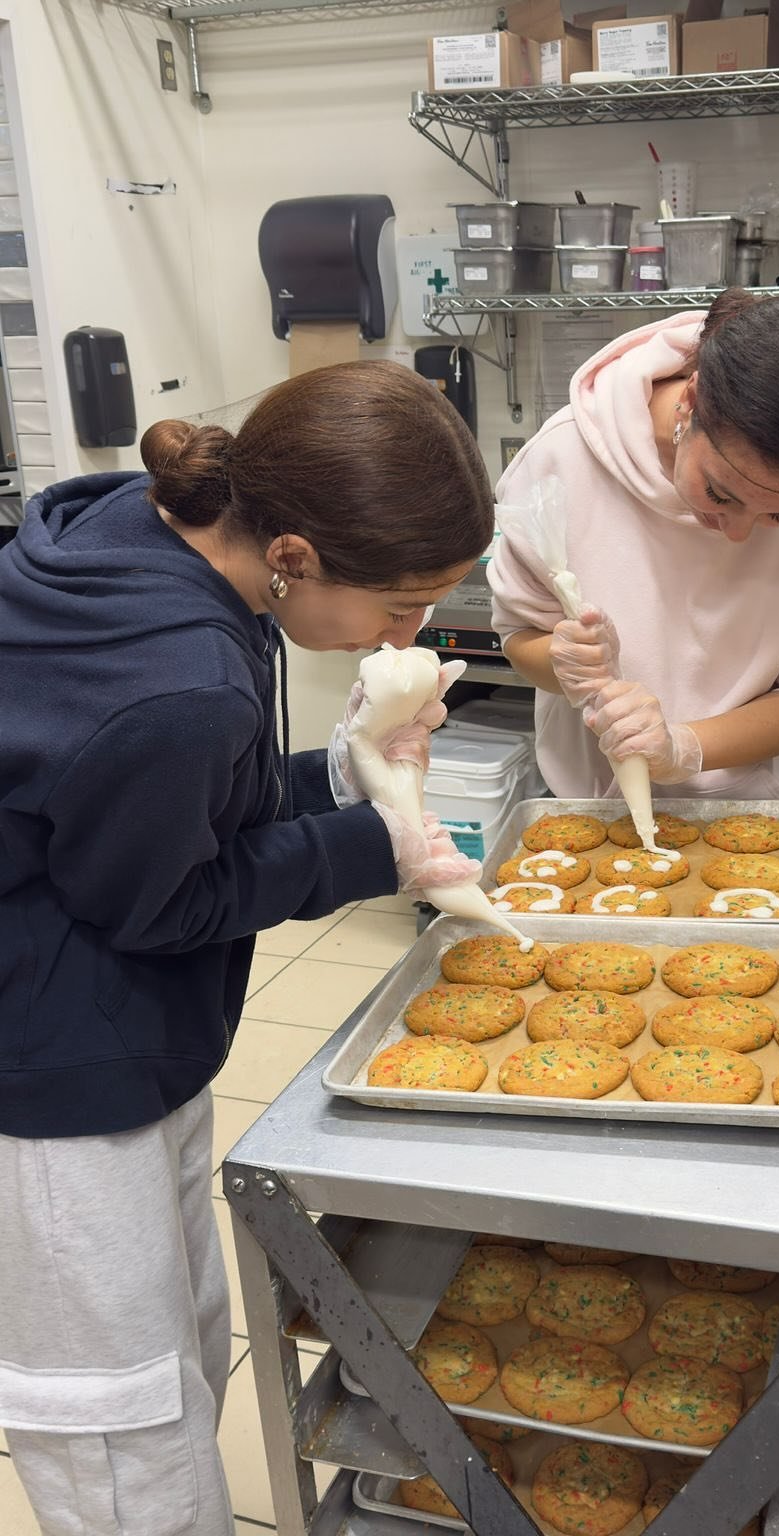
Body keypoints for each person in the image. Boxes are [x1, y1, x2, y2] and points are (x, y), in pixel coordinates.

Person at [0, 361, 490, 1534]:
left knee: (181, 1327)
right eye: (401, 604)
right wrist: (378, 847)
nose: (408, 633)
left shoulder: (150, 525)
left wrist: (342, 776)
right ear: (298, 557)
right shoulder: (181, 684)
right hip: (56, 1071)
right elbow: (159, 899)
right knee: (119, 1418)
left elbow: (175, 802)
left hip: (120, 1023)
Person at [489, 290, 779, 801]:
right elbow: (520, 634)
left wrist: (684, 748)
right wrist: (564, 661)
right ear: (690, 400)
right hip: (603, 806)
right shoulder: (562, 460)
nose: (738, 533)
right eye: (720, 494)